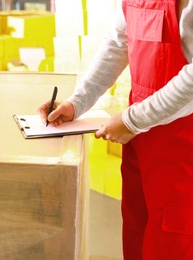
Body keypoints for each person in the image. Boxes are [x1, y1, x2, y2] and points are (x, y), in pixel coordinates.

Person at [38, 0, 193, 259]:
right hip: (140, 141)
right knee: (137, 232)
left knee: (173, 240)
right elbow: (119, 42)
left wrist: (133, 120)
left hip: (181, 146)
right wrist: (77, 102)